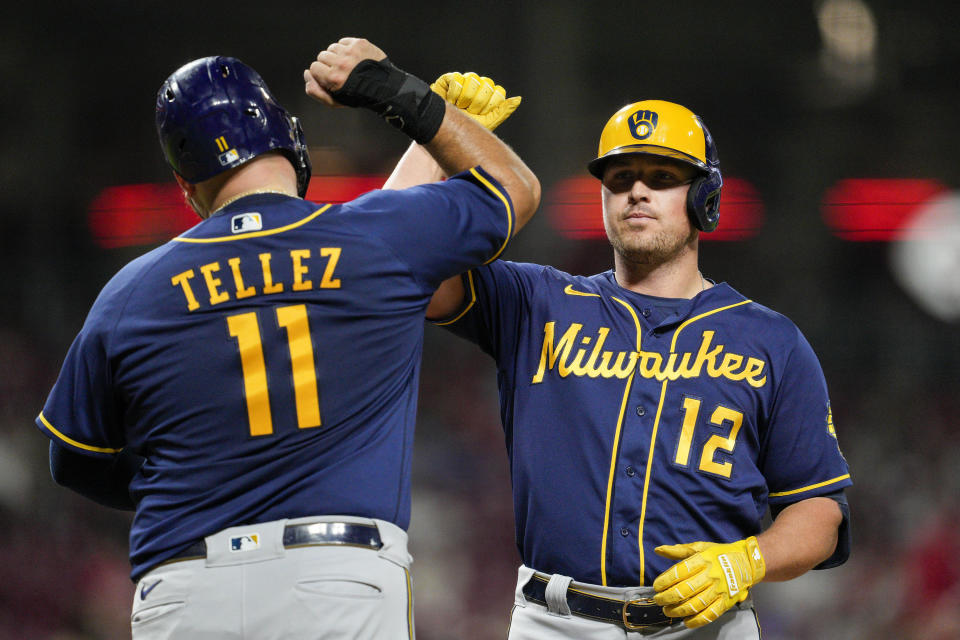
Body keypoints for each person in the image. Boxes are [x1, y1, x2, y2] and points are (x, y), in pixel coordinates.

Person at [34, 40, 539, 640]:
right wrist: (415, 104)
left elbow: (72, 460)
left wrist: (196, 476)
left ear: (184, 183)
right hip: (334, 579)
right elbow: (512, 185)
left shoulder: (129, 294)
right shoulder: (375, 241)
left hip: (184, 590)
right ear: (287, 138)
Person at [389, 79, 852, 638]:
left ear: (705, 197)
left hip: (706, 623)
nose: (637, 192)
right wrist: (435, 140)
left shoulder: (771, 340)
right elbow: (390, 260)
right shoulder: (538, 302)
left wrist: (745, 562)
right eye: (620, 179)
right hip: (554, 622)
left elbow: (819, 511)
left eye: (662, 179)